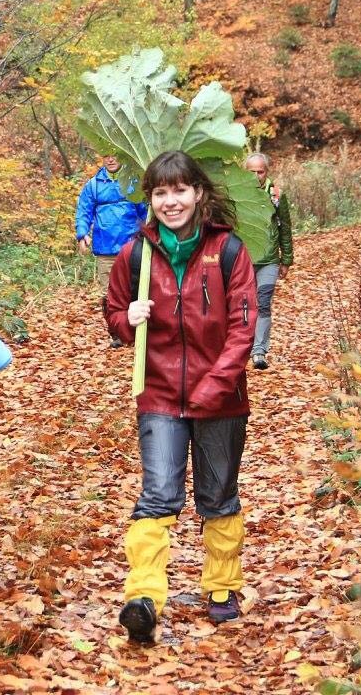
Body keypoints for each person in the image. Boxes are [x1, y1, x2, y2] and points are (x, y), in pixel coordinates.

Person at [103, 150, 257, 644]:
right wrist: (127, 319)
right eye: (160, 192)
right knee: (158, 495)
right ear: (150, 199)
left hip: (222, 399)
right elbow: (112, 315)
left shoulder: (229, 251)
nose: (171, 201)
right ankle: (143, 597)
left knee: (217, 496)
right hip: (160, 394)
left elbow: (244, 326)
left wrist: (216, 384)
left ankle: (221, 588)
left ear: (198, 193)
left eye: (179, 190)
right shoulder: (136, 254)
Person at [76, 154, 148, 347]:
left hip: (133, 247)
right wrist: (82, 234)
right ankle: (116, 333)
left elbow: (146, 211)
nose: (110, 160)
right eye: (106, 156)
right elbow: (84, 211)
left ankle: (138, 329)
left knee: (136, 288)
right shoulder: (93, 185)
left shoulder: (134, 182)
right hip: (105, 248)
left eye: (114, 155)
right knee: (108, 293)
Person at [243, 152, 294, 370]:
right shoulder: (236, 193)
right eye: (252, 171)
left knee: (263, 303)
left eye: (260, 171)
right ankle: (242, 346)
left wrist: (287, 259)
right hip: (243, 259)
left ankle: (259, 351)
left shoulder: (277, 195)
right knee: (243, 305)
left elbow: (285, 227)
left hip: (269, 259)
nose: (256, 176)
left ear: (267, 172)